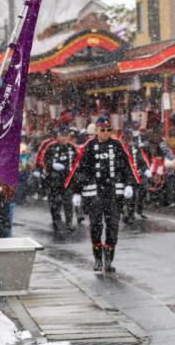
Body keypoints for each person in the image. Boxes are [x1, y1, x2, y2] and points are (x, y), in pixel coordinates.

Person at [66, 115, 138, 273]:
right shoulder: (89, 146)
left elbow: (128, 166)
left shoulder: (117, 145)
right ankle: (98, 259)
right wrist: (77, 192)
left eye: (107, 130)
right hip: (95, 193)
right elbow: (80, 169)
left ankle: (109, 260)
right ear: (96, 130)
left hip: (113, 193)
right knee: (96, 227)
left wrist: (129, 184)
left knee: (113, 226)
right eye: (102, 130)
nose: (105, 133)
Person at [43, 122, 79, 235]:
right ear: (57, 135)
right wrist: (51, 166)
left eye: (65, 135)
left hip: (67, 179)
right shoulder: (51, 147)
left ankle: (69, 222)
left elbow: (78, 162)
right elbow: (44, 160)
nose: (63, 138)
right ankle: (56, 220)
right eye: (61, 135)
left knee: (68, 201)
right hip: (53, 179)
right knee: (55, 201)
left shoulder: (72, 148)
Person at [122, 124, 151, 224]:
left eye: (131, 134)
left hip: (138, 173)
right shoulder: (120, 147)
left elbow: (141, 160)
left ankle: (139, 208)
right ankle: (128, 213)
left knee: (143, 188)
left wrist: (146, 169)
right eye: (128, 135)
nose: (130, 137)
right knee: (130, 194)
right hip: (126, 174)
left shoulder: (135, 146)